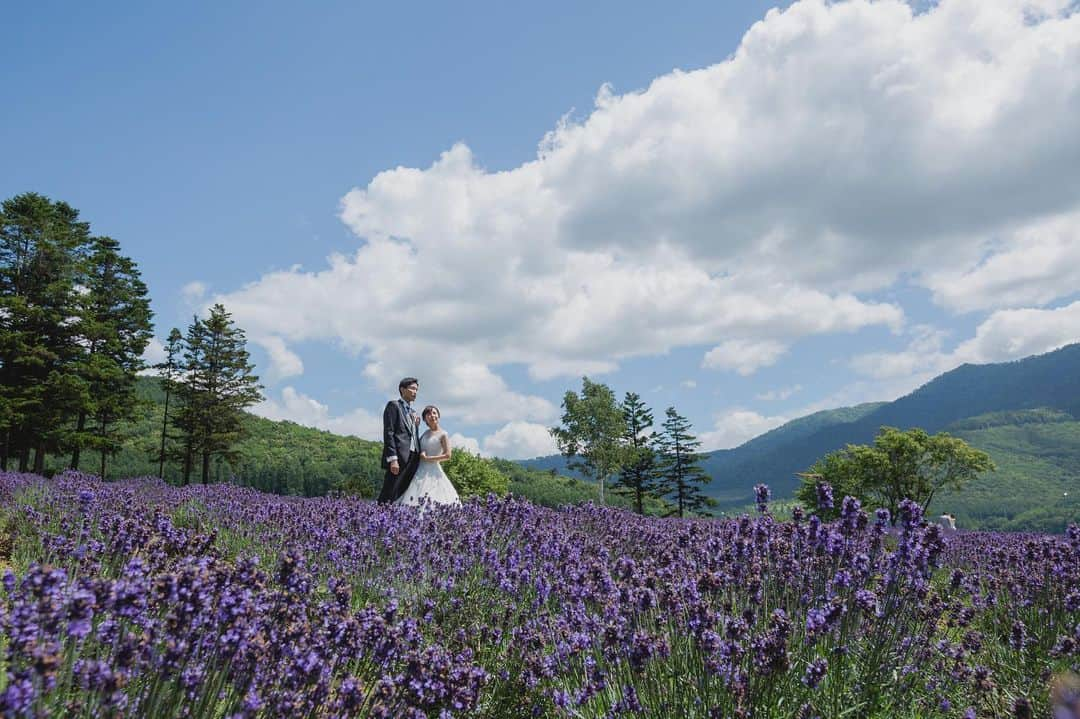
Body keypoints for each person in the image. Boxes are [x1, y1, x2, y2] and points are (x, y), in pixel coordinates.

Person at [395, 405, 461, 509]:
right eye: (429, 414)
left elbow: (448, 455)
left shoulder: (443, 434)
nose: (432, 415)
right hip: (420, 470)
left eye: (434, 413)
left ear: (438, 416)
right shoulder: (425, 433)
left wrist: (428, 459)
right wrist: (415, 426)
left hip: (433, 471)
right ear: (425, 419)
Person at [378, 377, 422, 503]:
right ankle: (379, 518)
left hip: (413, 458)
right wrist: (393, 459)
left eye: (417, 389)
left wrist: (416, 425)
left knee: (403, 492)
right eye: (412, 388)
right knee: (389, 491)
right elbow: (389, 433)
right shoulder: (394, 405)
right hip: (399, 458)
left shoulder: (413, 412)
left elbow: (412, 435)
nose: (415, 392)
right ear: (402, 389)